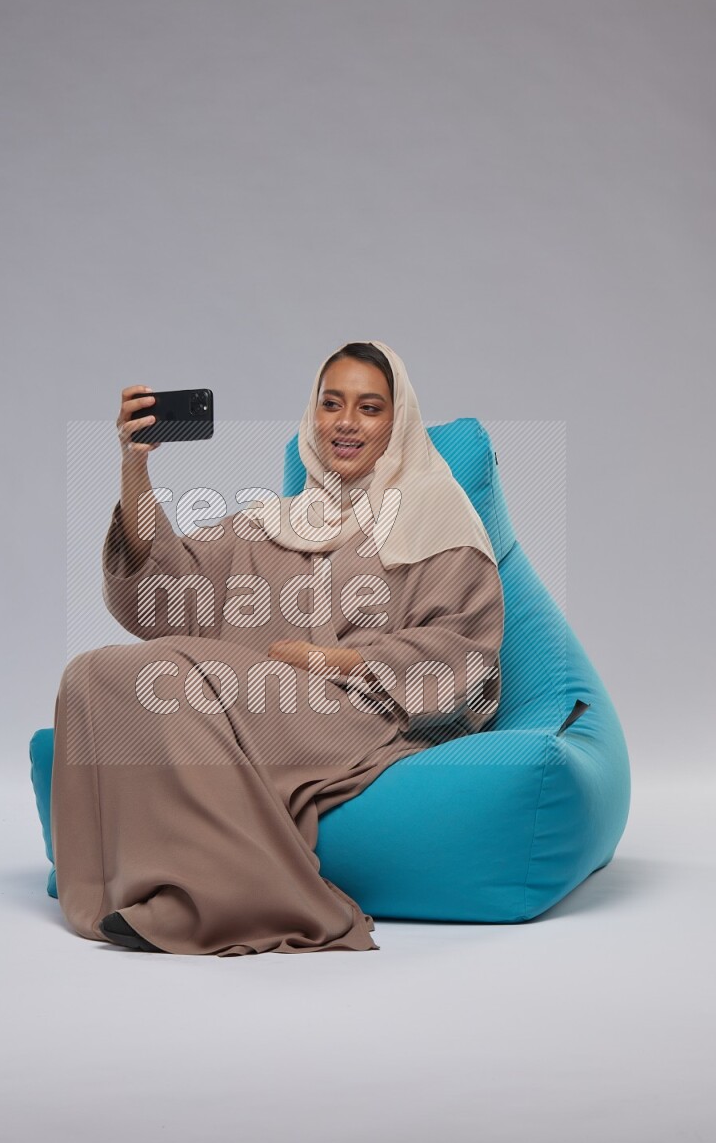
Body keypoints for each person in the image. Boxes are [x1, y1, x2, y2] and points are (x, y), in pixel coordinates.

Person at [50, 340, 505, 956]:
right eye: (331, 404)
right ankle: (142, 885)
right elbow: (159, 591)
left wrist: (335, 661)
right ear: (311, 416)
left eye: (370, 408)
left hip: (365, 711)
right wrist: (136, 468)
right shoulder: (276, 522)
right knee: (93, 674)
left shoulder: (435, 516)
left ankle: (240, 899)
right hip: (261, 702)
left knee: (179, 681)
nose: (346, 423)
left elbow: (465, 656)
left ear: (398, 424)